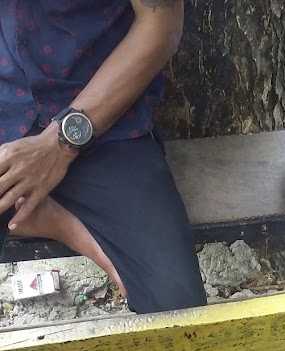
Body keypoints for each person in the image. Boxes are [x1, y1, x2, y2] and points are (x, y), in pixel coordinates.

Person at [0, 0, 206, 314]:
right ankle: (44, 220)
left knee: (175, 308)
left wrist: (60, 144)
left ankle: (45, 217)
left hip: (101, 115)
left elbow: (160, 24)